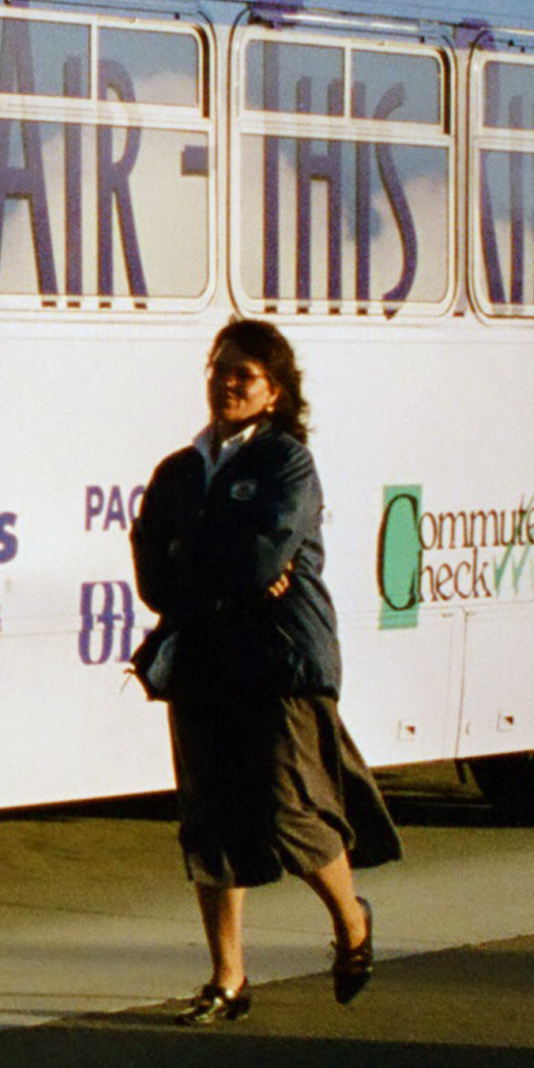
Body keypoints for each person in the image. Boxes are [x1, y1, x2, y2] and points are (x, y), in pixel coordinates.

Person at [127, 317, 396, 1024]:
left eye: (242, 375)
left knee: (287, 809)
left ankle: (351, 920)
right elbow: (153, 566)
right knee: (207, 823)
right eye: (219, 370)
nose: (226, 383)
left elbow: (261, 558)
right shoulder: (180, 469)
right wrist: (211, 567)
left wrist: (204, 559)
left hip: (277, 658)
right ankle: (227, 980)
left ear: (273, 392)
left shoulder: (285, 464)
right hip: (204, 658)